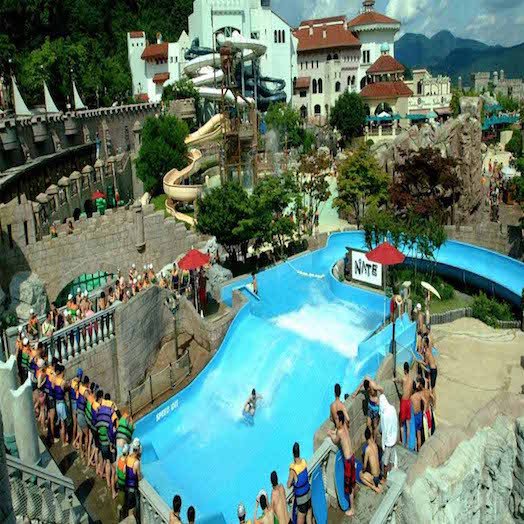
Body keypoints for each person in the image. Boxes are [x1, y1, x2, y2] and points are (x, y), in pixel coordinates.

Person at [97, 392, 117, 497]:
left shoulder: (101, 414)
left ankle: (108, 482)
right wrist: (112, 446)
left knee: (107, 462)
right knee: (113, 467)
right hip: (108, 444)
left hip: (101, 442)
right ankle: (113, 488)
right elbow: (111, 434)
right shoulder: (110, 419)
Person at [287, 442, 312, 524]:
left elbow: (288, 484)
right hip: (308, 494)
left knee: (300, 520)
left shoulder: (293, 469)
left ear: (293, 454)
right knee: (309, 519)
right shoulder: (304, 462)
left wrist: (292, 482)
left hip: (301, 499)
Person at [411, 377, 434, 451]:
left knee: (420, 434)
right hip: (428, 412)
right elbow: (432, 398)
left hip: (422, 414)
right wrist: (432, 405)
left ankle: (419, 450)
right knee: (427, 430)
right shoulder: (426, 391)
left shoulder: (418, 394)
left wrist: (424, 411)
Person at [379, 394, 398, 480]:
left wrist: (383, 444)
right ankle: (393, 474)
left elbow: (384, 431)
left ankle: (385, 478)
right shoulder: (392, 408)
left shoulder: (384, 415)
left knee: (385, 462)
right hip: (394, 438)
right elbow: (396, 422)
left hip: (388, 442)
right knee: (392, 459)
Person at [359, 427, 384, 494]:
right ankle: (379, 481)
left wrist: (362, 471)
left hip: (375, 478)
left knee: (361, 476)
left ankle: (374, 487)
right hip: (379, 474)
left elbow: (364, 466)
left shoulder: (367, 449)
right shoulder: (375, 445)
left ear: (365, 438)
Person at [394, 362, 413, 446]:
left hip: (404, 402)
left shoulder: (403, 378)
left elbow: (398, 380)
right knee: (408, 424)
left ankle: (402, 443)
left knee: (401, 423)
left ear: (404, 370)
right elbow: (410, 391)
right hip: (409, 402)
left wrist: (393, 380)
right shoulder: (411, 379)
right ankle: (407, 444)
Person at [124, 438, 142, 517]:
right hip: (132, 489)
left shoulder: (128, 457)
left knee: (128, 507)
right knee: (132, 510)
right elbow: (139, 477)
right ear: (138, 450)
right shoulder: (136, 462)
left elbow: (125, 471)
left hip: (126, 486)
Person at [53, 364, 69, 446]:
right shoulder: (63, 382)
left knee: (61, 423)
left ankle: (64, 438)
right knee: (63, 424)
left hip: (57, 403)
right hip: (62, 404)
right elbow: (67, 387)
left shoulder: (55, 379)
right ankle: (63, 442)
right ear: (62, 372)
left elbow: (53, 387)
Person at [116, 444, 129, 519]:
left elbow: (118, 468)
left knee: (121, 493)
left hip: (119, 480)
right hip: (124, 481)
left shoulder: (120, 458)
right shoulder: (126, 461)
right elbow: (124, 472)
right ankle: (123, 512)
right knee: (125, 496)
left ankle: (120, 506)